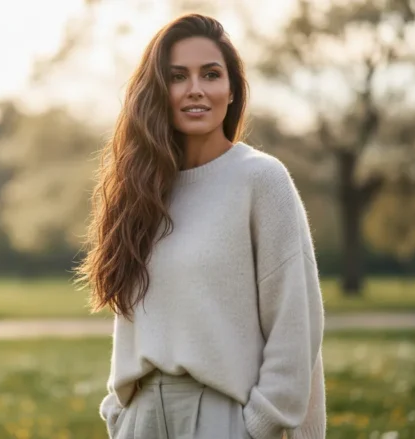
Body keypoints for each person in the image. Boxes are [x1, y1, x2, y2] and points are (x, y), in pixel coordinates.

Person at [73, 13, 326, 439]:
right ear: (158, 90)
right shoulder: (142, 188)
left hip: (222, 416)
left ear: (232, 89)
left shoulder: (260, 179)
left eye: (210, 74)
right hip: (141, 418)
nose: (195, 89)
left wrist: (260, 423)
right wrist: (120, 411)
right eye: (177, 76)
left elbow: (295, 322)